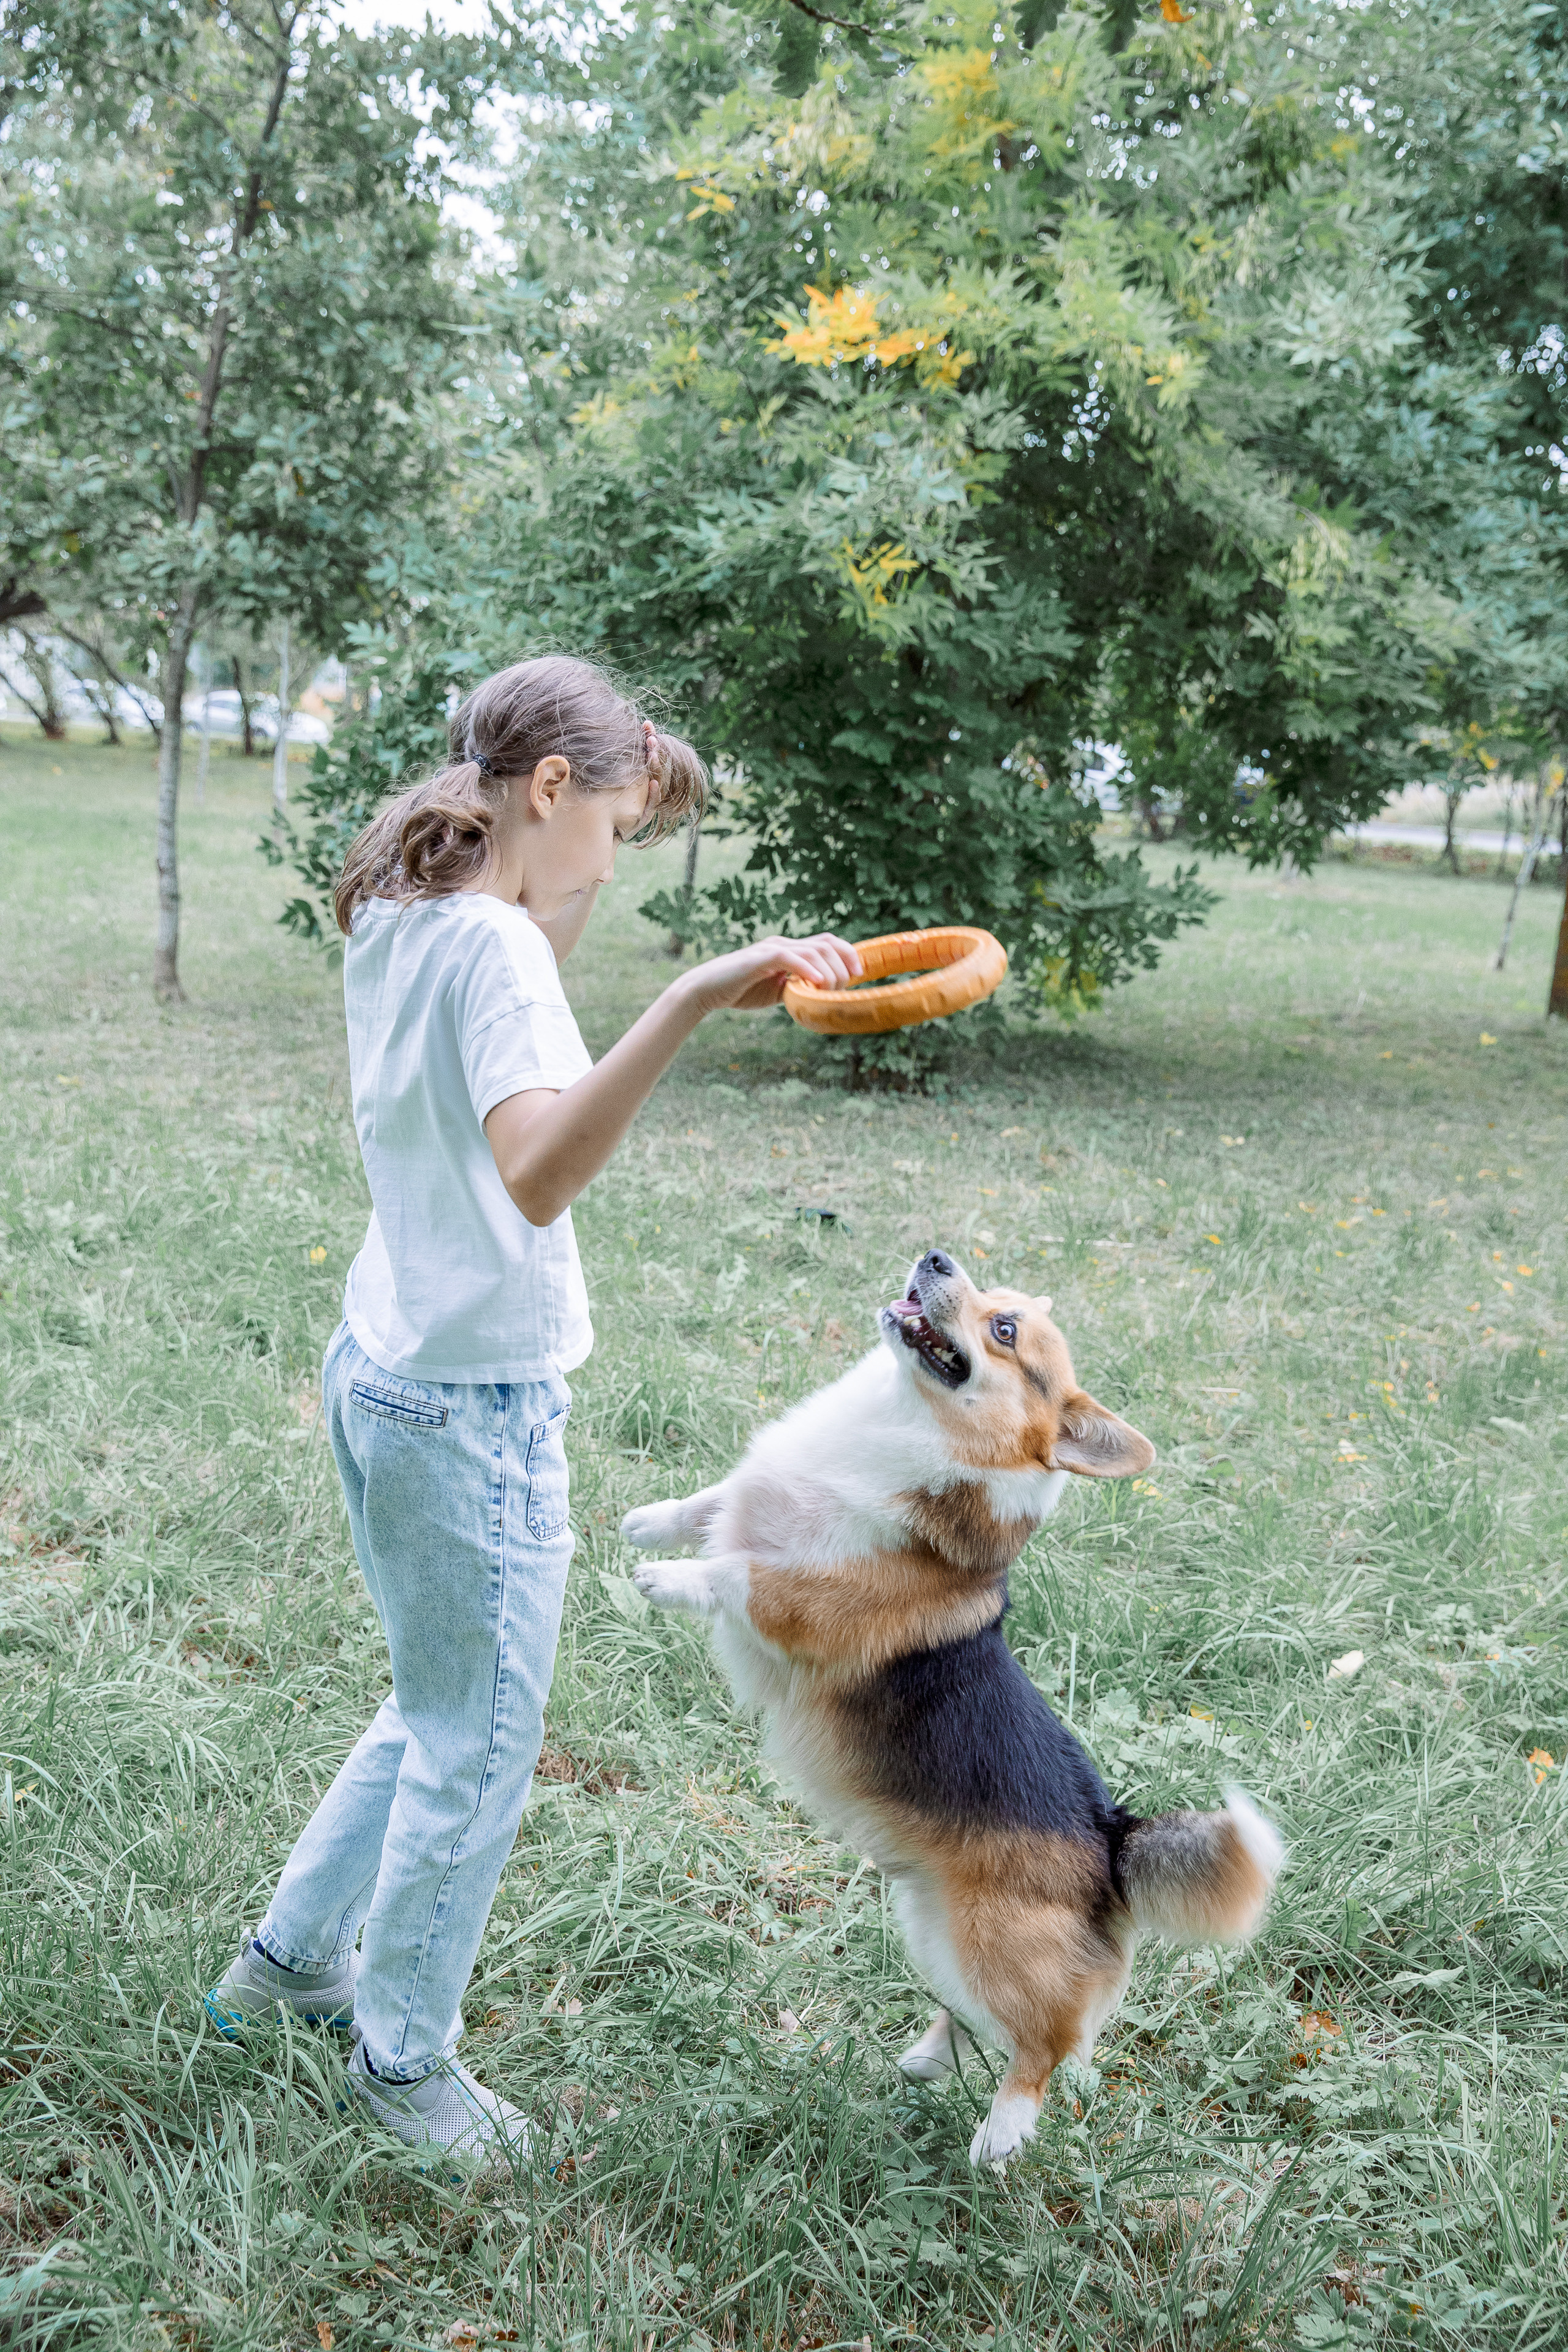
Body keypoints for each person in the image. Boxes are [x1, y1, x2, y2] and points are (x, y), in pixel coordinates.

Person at [205, 654, 859, 2163]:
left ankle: (287, 1969)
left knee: (432, 1705)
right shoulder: (492, 957)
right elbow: (538, 1172)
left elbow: (535, 934)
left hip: (380, 1366)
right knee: (482, 1739)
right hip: (470, 1408)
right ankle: (401, 2068)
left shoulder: (404, 908)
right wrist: (698, 994)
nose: (616, 863)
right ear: (552, 791)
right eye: (621, 828)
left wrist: (613, 828)